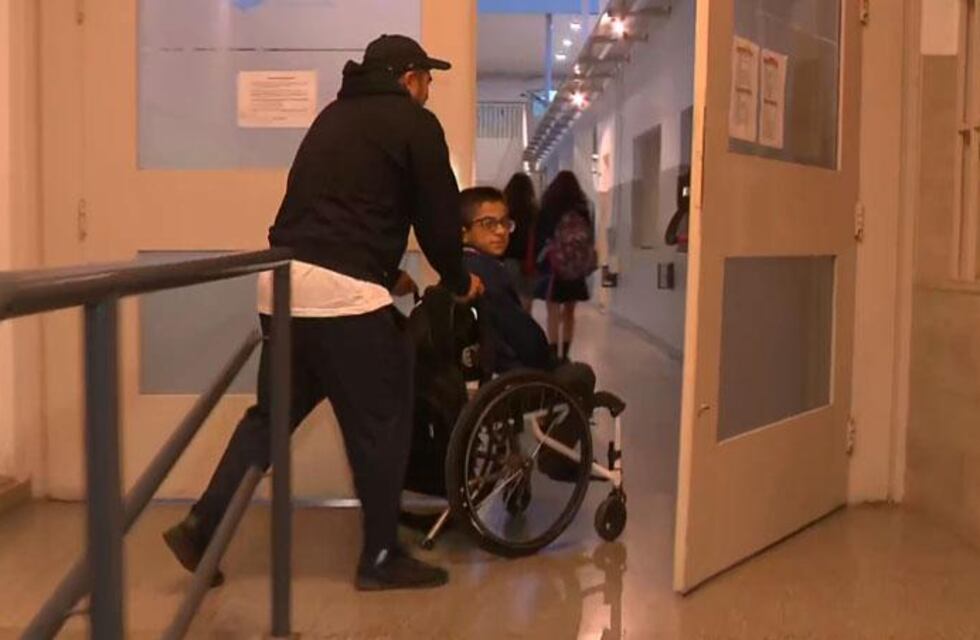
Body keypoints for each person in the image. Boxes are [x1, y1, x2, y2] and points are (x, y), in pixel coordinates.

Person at [162, 34, 483, 592]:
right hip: (344, 301)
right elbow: (438, 224)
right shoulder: (414, 124)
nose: (430, 89)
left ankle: (200, 526)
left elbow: (328, 217)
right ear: (408, 77)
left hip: (284, 286)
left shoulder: (332, 119)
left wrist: (384, 274)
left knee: (269, 420)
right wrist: (459, 282)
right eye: (427, 78)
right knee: (383, 423)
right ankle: (380, 557)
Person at [533, 171, 595, 362]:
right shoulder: (583, 208)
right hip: (575, 268)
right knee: (569, 312)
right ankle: (565, 354)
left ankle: (552, 352)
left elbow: (540, 235)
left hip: (553, 266)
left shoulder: (549, 207)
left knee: (553, 311)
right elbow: (589, 238)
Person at [501, 173, 539, 312]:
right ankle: (524, 327)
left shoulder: (505, 210)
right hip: (529, 260)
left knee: (510, 300)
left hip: (509, 257)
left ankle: (511, 329)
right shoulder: (535, 210)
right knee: (526, 299)